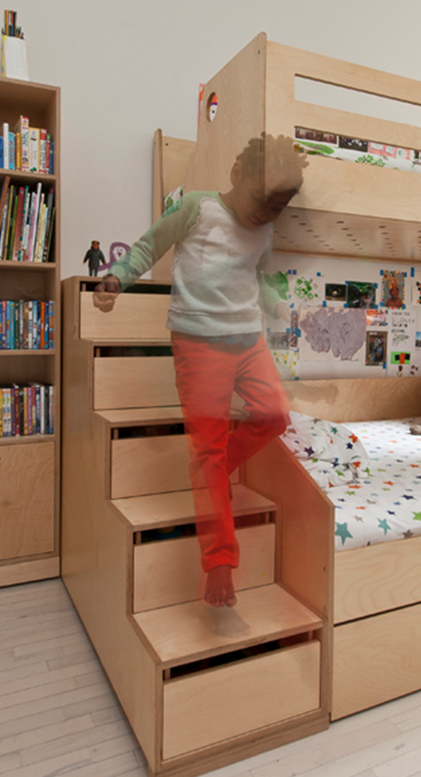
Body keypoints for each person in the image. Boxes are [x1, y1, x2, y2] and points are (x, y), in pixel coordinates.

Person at [94, 134, 306, 607]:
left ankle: (214, 469)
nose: (261, 217)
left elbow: (260, 276)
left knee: (274, 416)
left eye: (274, 211)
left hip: (247, 338)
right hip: (198, 343)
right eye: (258, 203)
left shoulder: (266, 229)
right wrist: (115, 280)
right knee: (206, 449)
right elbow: (149, 246)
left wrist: (280, 307)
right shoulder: (197, 208)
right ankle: (219, 564)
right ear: (235, 176)